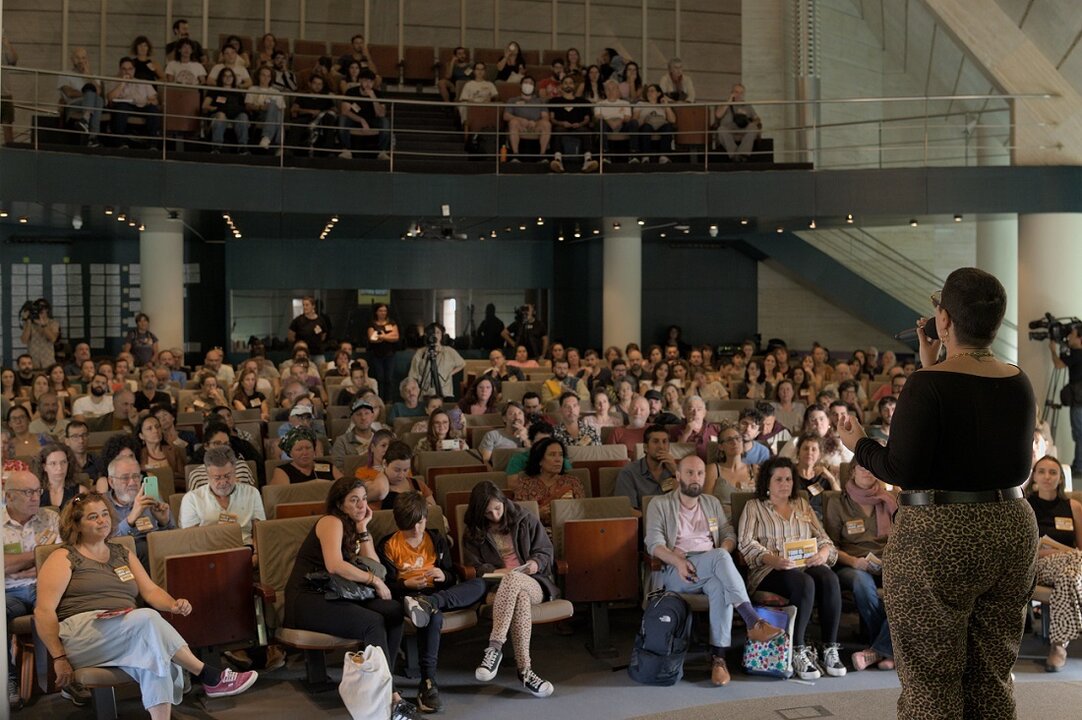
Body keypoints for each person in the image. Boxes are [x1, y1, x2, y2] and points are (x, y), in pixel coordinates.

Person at [838, 268, 1037, 719]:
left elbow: (900, 469)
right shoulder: (1018, 380)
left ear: (944, 321)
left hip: (941, 537)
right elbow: (1008, 455)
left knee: (932, 677)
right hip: (1010, 528)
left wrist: (858, 445)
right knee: (991, 674)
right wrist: (934, 365)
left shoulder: (927, 385)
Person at [34, 492, 258, 718]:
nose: (102, 520)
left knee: (154, 651)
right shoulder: (64, 556)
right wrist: (59, 658)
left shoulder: (121, 552)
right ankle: (209, 675)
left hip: (125, 630)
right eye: (93, 517)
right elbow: (43, 612)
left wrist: (173, 604)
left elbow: (150, 590)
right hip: (81, 635)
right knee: (147, 621)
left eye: (104, 514)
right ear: (77, 525)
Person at [645, 454, 783, 686]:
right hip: (676, 570)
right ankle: (752, 622)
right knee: (719, 558)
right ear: (678, 476)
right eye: (689, 472)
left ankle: (719, 660)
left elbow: (728, 534)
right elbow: (653, 543)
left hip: (711, 564)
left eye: (700, 473)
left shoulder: (711, 503)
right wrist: (678, 562)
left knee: (719, 583)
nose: (696, 478)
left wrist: (721, 554)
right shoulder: (660, 504)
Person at [376, 492, 488, 713]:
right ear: (400, 524)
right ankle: (428, 681)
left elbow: (451, 576)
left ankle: (430, 601)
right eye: (410, 527)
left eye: (420, 523)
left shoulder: (436, 540)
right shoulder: (388, 545)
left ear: (426, 518)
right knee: (433, 615)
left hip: (437, 594)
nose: (417, 530)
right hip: (407, 598)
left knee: (480, 585)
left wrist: (444, 576)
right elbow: (386, 585)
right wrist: (405, 584)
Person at [738, 456, 845, 680]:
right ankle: (797, 649)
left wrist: (823, 553)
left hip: (803, 566)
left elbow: (824, 540)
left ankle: (829, 648)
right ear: (767, 482)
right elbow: (746, 543)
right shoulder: (754, 507)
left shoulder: (802, 506)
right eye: (779, 479)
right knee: (804, 582)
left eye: (788, 479)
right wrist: (771, 559)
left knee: (828, 577)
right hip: (769, 570)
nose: (785, 484)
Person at [462, 482, 558, 697]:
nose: (495, 515)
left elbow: (545, 551)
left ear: (504, 501)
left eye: (498, 508)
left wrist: (535, 563)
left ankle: (494, 648)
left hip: (533, 581)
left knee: (515, 580)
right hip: (495, 587)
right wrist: (497, 570)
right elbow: (475, 567)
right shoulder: (473, 531)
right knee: (519, 596)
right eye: (488, 513)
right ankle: (525, 671)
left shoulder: (525, 519)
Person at [824, 461, 897, 672]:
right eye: (862, 467)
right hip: (852, 563)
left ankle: (878, 651)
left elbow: (902, 538)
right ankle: (887, 648)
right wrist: (855, 561)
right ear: (852, 471)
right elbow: (830, 546)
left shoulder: (889, 499)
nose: (867, 471)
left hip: (887, 562)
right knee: (861, 584)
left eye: (872, 467)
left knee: (912, 584)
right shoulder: (837, 503)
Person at [3, 468, 60, 709]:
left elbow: (59, 558)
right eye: (28, 492)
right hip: (8, 592)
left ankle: (62, 676)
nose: (35, 497)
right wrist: (38, 556)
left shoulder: (51, 518)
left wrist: (21, 565)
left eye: (38, 491)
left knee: (59, 605)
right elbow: (3, 566)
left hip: (42, 586)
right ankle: (8, 679)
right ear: (9, 496)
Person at [1026, 454, 1082, 672]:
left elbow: (1080, 549)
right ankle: (1060, 646)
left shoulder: (1073, 506)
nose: (1047, 476)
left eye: (1053, 472)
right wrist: (1044, 554)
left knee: (1070, 575)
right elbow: (1022, 550)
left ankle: (1059, 646)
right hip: (1036, 565)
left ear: (1060, 479)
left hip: (1070, 565)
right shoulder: (1025, 505)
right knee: (1074, 571)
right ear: (1034, 477)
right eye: (1041, 471)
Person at [179, 446, 265, 547]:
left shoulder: (252, 493)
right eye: (217, 478)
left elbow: (260, 533)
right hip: (208, 551)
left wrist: (256, 554)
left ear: (235, 471)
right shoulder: (191, 499)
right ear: (207, 475)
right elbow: (191, 540)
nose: (223, 482)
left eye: (228, 476)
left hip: (244, 548)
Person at [514, 438, 584, 527]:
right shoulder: (525, 484)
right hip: (536, 532)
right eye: (552, 455)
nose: (558, 459)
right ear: (540, 460)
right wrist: (538, 513)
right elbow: (517, 516)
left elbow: (582, 513)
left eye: (561, 455)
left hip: (568, 531)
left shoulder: (573, 482)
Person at [615, 424, 677, 514]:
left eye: (664, 442)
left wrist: (675, 472)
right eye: (656, 442)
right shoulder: (629, 473)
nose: (661, 446)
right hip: (643, 524)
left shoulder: (677, 471)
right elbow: (628, 510)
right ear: (645, 447)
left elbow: (685, 503)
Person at [547, 73, 599, 173]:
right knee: (557, 130)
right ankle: (557, 160)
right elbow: (552, 119)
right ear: (561, 85)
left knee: (586, 132)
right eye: (565, 83)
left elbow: (587, 119)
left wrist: (580, 124)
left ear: (574, 86)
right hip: (561, 127)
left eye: (570, 83)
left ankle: (588, 160)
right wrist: (562, 123)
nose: (568, 85)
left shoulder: (583, 102)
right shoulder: (554, 101)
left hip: (579, 126)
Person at [364, 441, 434, 512]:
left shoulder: (418, 484)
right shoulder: (375, 487)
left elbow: (434, 512)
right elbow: (376, 518)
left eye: (406, 470)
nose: (401, 475)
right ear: (385, 463)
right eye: (397, 470)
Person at [337, 68, 391, 160]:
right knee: (343, 119)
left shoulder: (378, 94)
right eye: (365, 80)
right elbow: (345, 111)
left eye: (371, 81)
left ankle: (382, 151)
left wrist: (373, 97)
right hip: (355, 119)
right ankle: (346, 150)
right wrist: (361, 120)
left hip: (373, 119)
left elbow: (381, 114)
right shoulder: (351, 92)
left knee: (385, 121)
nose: (368, 84)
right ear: (360, 80)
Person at [1050, 328, 1082, 477]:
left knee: (1079, 433)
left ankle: (1079, 466)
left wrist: (1053, 350)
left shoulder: (1077, 354)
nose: (1069, 337)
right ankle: (1078, 464)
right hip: (1078, 399)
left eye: (1073, 335)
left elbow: (1059, 365)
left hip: (1079, 401)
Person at [106, 57, 162, 143]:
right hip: (125, 106)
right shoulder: (114, 81)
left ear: (134, 70)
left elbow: (155, 100)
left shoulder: (143, 82)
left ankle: (153, 144)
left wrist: (150, 101)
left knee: (153, 110)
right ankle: (120, 142)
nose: (127, 71)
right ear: (120, 70)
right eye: (124, 69)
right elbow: (110, 98)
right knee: (121, 108)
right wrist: (122, 83)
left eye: (130, 69)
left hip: (142, 106)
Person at [57, 47, 104, 146]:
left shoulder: (93, 76)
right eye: (77, 58)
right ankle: (93, 137)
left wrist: (88, 75)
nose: (81, 61)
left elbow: (99, 92)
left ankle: (85, 120)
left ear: (87, 60)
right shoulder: (65, 74)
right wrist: (88, 93)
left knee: (98, 99)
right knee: (93, 93)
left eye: (83, 58)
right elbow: (69, 93)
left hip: (91, 104)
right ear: (72, 59)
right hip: (74, 105)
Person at [407, 323, 465, 400]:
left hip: (444, 392)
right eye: (432, 333)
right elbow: (413, 374)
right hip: (425, 393)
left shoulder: (449, 351)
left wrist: (450, 373)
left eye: (438, 332)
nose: (435, 335)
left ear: (442, 335)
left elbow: (462, 363)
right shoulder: (421, 352)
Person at [271, 426, 341, 484]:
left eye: (308, 448)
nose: (305, 452)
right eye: (299, 449)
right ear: (290, 453)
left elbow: (345, 485)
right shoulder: (283, 470)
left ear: (314, 450)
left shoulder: (326, 466)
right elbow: (282, 494)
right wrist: (313, 484)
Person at [503, 76, 551, 160]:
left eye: (531, 83)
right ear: (521, 85)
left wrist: (535, 123)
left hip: (536, 126)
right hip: (520, 126)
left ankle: (542, 155)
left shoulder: (540, 101)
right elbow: (506, 116)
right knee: (513, 122)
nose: (528, 85)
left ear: (534, 87)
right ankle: (515, 155)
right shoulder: (513, 100)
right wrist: (520, 120)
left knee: (546, 124)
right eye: (526, 82)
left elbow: (545, 117)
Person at [203, 67, 249, 152]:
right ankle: (216, 147)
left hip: (235, 114)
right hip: (219, 113)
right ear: (221, 77)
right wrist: (215, 108)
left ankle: (243, 147)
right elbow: (205, 106)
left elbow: (243, 107)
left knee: (243, 116)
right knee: (221, 116)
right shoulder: (214, 90)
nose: (228, 78)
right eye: (225, 76)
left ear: (233, 78)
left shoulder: (238, 92)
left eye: (230, 76)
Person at [33, 442, 88, 511]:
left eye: (63, 462)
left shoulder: (81, 492)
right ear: (44, 467)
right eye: (53, 463)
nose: (59, 468)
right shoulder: (35, 493)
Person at [245, 64, 285, 151]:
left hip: (273, 116)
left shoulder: (276, 91)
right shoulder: (252, 89)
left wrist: (271, 108)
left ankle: (267, 137)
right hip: (258, 114)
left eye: (268, 76)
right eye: (263, 75)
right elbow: (248, 106)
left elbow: (282, 109)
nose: (266, 78)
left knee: (274, 107)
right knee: (275, 109)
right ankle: (279, 146)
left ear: (271, 78)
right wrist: (261, 108)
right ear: (258, 76)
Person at [367, 303, 399, 402]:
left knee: (389, 379)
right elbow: (372, 338)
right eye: (381, 310)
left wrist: (382, 336)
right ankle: (380, 400)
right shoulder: (372, 324)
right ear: (376, 312)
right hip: (377, 355)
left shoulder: (391, 323)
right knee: (379, 378)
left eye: (384, 311)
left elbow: (396, 337)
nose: (383, 313)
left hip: (390, 355)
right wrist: (387, 337)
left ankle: (389, 401)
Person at [137, 413, 185, 479]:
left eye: (157, 427)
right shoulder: (138, 455)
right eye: (149, 428)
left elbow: (184, 478)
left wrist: (165, 476)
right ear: (141, 436)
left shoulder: (173, 451)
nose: (155, 431)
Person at [21, 301, 60, 369]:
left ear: (47, 309)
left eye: (42, 308)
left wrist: (43, 324)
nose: (40, 310)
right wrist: (28, 321)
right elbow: (24, 340)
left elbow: (53, 339)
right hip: (33, 361)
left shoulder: (53, 322)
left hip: (48, 361)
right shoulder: (28, 323)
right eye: (38, 307)